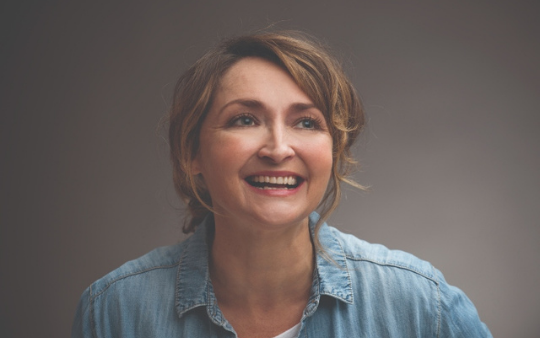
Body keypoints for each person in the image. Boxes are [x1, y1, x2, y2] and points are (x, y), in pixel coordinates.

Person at [72, 31, 492, 338]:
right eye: (245, 119)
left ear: (334, 152)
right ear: (191, 153)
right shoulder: (114, 312)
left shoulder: (419, 305)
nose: (278, 148)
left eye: (306, 122)